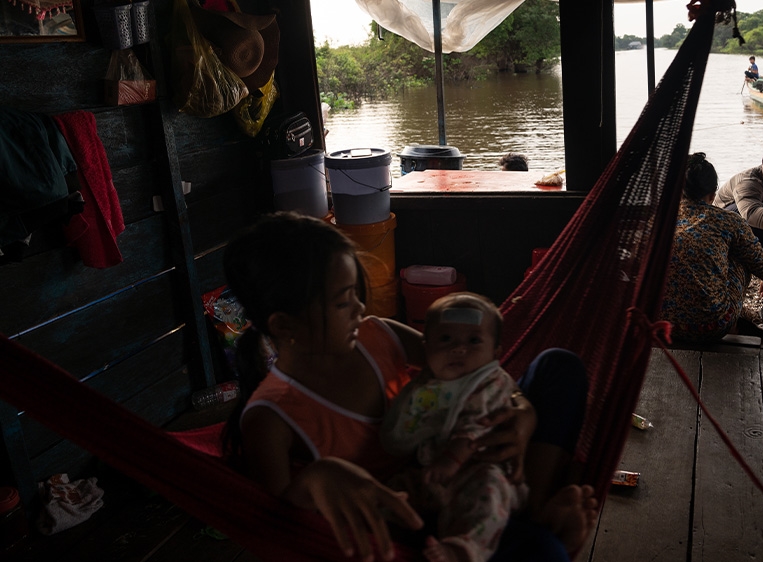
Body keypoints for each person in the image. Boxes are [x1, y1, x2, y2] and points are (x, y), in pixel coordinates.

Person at [220, 212, 596, 562]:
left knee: (557, 366)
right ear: (285, 326)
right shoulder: (271, 416)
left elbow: (480, 373)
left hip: (469, 460)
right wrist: (315, 479)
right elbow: (273, 528)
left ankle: (533, 501)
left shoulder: (379, 335)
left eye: (355, 292)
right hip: (415, 521)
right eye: (341, 302)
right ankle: (534, 524)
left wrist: (521, 412)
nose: (358, 308)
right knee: (541, 551)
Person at [381, 292, 524, 562]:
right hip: (430, 474)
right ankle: (383, 535)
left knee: (489, 496)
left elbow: (475, 426)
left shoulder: (489, 383)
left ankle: (462, 548)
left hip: (477, 468)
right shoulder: (428, 385)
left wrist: (450, 459)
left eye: (473, 341)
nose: (458, 348)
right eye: (445, 339)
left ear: (495, 353)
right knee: (391, 492)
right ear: (426, 348)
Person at [661, 153, 763, 342]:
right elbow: (761, 263)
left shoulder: (658, 222)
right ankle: (732, 324)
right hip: (711, 326)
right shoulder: (728, 221)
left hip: (658, 325)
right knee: (742, 257)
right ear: (712, 195)